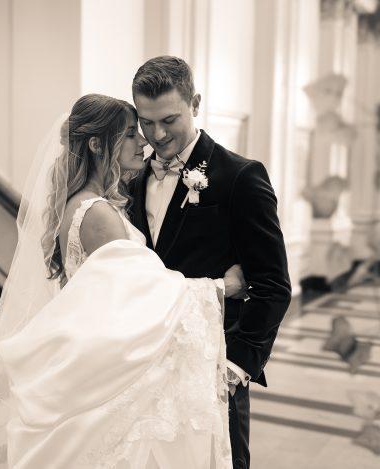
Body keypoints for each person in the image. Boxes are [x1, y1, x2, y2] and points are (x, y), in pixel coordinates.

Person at [0, 94, 246, 468]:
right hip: (110, 371)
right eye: (130, 134)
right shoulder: (98, 213)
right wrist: (221, 288)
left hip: (91, 361)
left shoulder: (77, 203)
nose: (144, 142)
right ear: (96, 144)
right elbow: (140, 299)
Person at [129, 56, 292, 469]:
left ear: (195, 103)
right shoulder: (130, 178)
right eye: (146, 122)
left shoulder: (240, 177)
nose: (157, 135)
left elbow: (273, 285)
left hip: (212, 367)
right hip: (141, 366)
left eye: (169, 120)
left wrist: (235, 366)